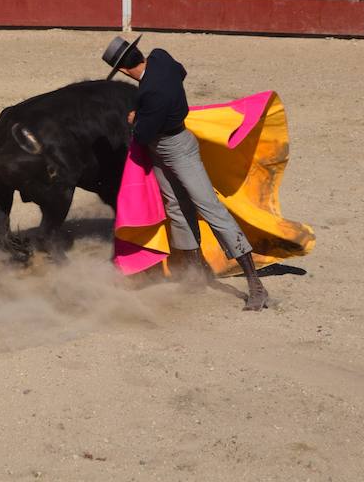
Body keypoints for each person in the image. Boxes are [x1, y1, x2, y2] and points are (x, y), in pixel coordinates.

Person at [101, 35, 269, 311]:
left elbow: (143, 135)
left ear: (121, 70)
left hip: (176, 150)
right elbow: (182, 72)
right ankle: (194, 274)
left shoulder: (150, 93)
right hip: (173, 143)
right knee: (176, 206)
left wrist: (135, 119)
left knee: (211, 209)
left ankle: (256, 286)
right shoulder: (160, 57)